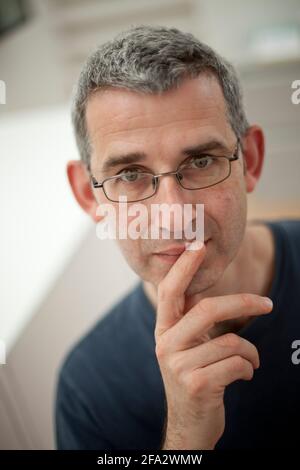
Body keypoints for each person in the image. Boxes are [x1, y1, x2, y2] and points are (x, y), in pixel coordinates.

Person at [55, 25, 300, 449]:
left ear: (252, 161)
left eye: (201, 160)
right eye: (130, 174)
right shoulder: (88, 387)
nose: (173, 217)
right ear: (87, 194)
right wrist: (187, 439)